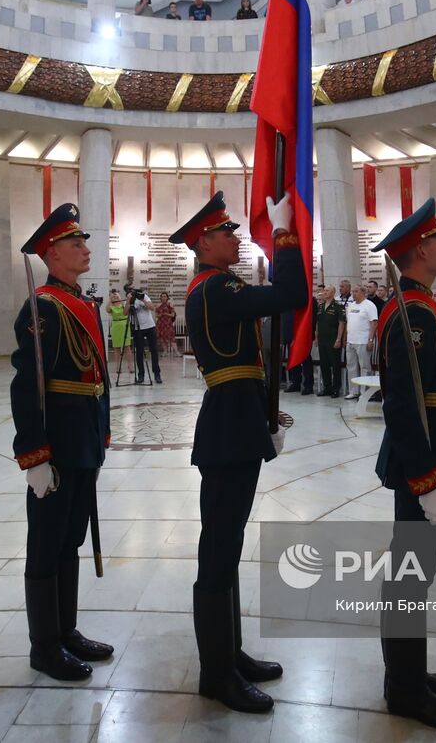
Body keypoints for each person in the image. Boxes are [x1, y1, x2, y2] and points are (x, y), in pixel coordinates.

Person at [169, 191, 303, 713]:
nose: (237, 238)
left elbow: (247, 362)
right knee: (218, 551)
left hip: (236, 417)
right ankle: (216, 674)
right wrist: (286, 233)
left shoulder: (217, 286)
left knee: (227, 545)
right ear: (204, 242)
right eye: (227, 233)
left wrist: (265, 415)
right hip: (226, 425)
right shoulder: (216, 287)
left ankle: (231, 652)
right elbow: (289, 292)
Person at [370, 198, 436, 729]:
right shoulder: (411, 314)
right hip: (425, 462)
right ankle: (406, 690)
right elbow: (404, 405)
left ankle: (408, 673)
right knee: (409, 575)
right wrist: (427, 477)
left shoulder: (422, 307)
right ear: (420, 251)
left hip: (435, 454)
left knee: (416, 572)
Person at [12, 203, 113, 681]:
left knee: (71, 537)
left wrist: (102, 430)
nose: (85, 249)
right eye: (76, 243)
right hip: (56, 442)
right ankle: (44, 646)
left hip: (84, 438)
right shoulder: (43, 307)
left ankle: (66, 630)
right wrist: (34, 455)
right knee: (47, 542)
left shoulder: (82, 303)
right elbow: (27, 384)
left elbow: (99, 376)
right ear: (51, 254)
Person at [343, 285, 379, 399]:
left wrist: (370, 339)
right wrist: (345, 339)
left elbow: (374, 323)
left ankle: (365, 392)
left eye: (356, 291)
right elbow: (348, 323)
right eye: (352, 291)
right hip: (351, 341)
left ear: (363, 292)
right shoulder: (351, 305)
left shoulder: (369, 305)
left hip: (363, 340)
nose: (353, 293)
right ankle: (353, 391)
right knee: (351, 366)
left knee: (365, 367)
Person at [315, 285, 345, 397]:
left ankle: (336, 388)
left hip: (333, 339)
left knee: (335, 365)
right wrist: (316, 336)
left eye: (327, 291)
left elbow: (341, 323)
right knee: (324, 365)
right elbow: (317, 323)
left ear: (333, 293)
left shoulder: (338, 306)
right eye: (324, 290)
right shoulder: (320, 306)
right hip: (322, 339)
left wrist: (338, 339)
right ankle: (327, 388)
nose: (325, 292)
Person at [129, 287, 163, 384]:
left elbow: (152, 308)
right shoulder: (131, 299)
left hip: (150, 326)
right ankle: (141, 375)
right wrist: (129, 300)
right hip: (137, 328)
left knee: (154, 350)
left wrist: (142, 299)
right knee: (139, 352)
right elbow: (126, 312)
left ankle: (157, 374)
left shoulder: (145, 297)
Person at [107, 289, 132, 373]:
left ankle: (130, 365)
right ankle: (118, 366)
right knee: (116, 347)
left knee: (127, 347)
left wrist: (128, 301)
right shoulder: (111, 305)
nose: (115, 296)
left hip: (124, 325)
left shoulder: (123, 303)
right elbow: (107, 310)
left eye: (116, 295)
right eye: (113, 295)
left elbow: (126, 311)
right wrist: (110, 301)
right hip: (115, 326)